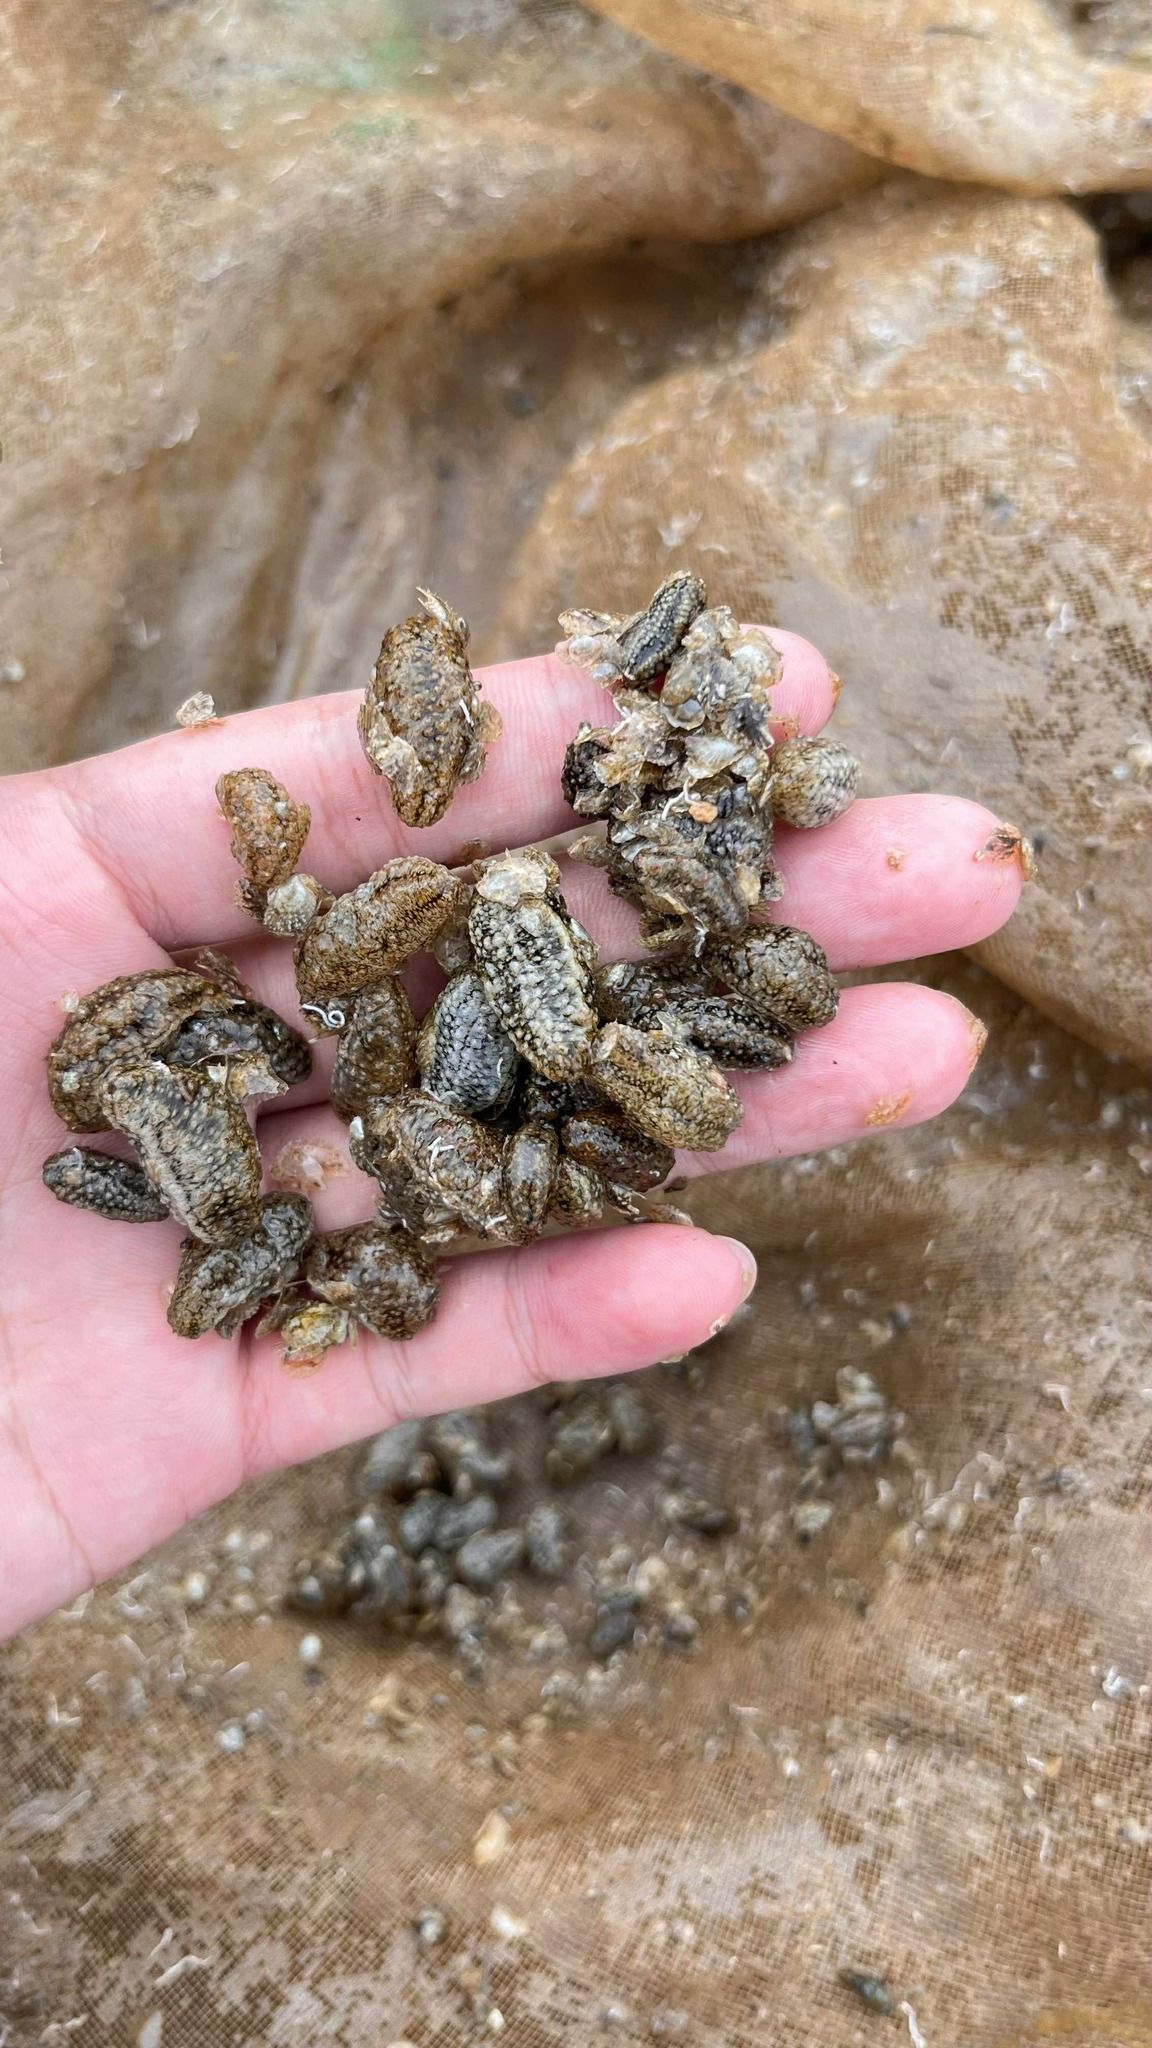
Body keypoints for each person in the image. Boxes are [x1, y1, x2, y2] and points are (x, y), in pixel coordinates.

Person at [0, 631, 1021, 1640]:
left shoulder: (529, 1051)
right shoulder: (419, 1067)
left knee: (583, 1069)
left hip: (494, 1081)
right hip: (453, 1089)